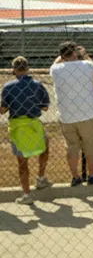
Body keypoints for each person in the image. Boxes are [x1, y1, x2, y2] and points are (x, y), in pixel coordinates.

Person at [49, 41, 93, 186]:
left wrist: (63, 56)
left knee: (72, 147)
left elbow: (55, 63)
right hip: (87, 114)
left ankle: (75, 176)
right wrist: (83, 54)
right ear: (74, 53)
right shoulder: (86, 65)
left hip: (66, 115)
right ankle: (91, 174)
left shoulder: (56, 69)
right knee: (90, 146)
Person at [1, 57, 51, 203]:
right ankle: (41, 177)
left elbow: (3, 110)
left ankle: (27, 194)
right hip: (34, 123)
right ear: (28, 68)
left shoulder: (8, 87)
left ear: (13, 70)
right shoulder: (37, 85)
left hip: (17, 125)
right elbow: (45, 107)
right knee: (45, 148)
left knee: (22, 162)